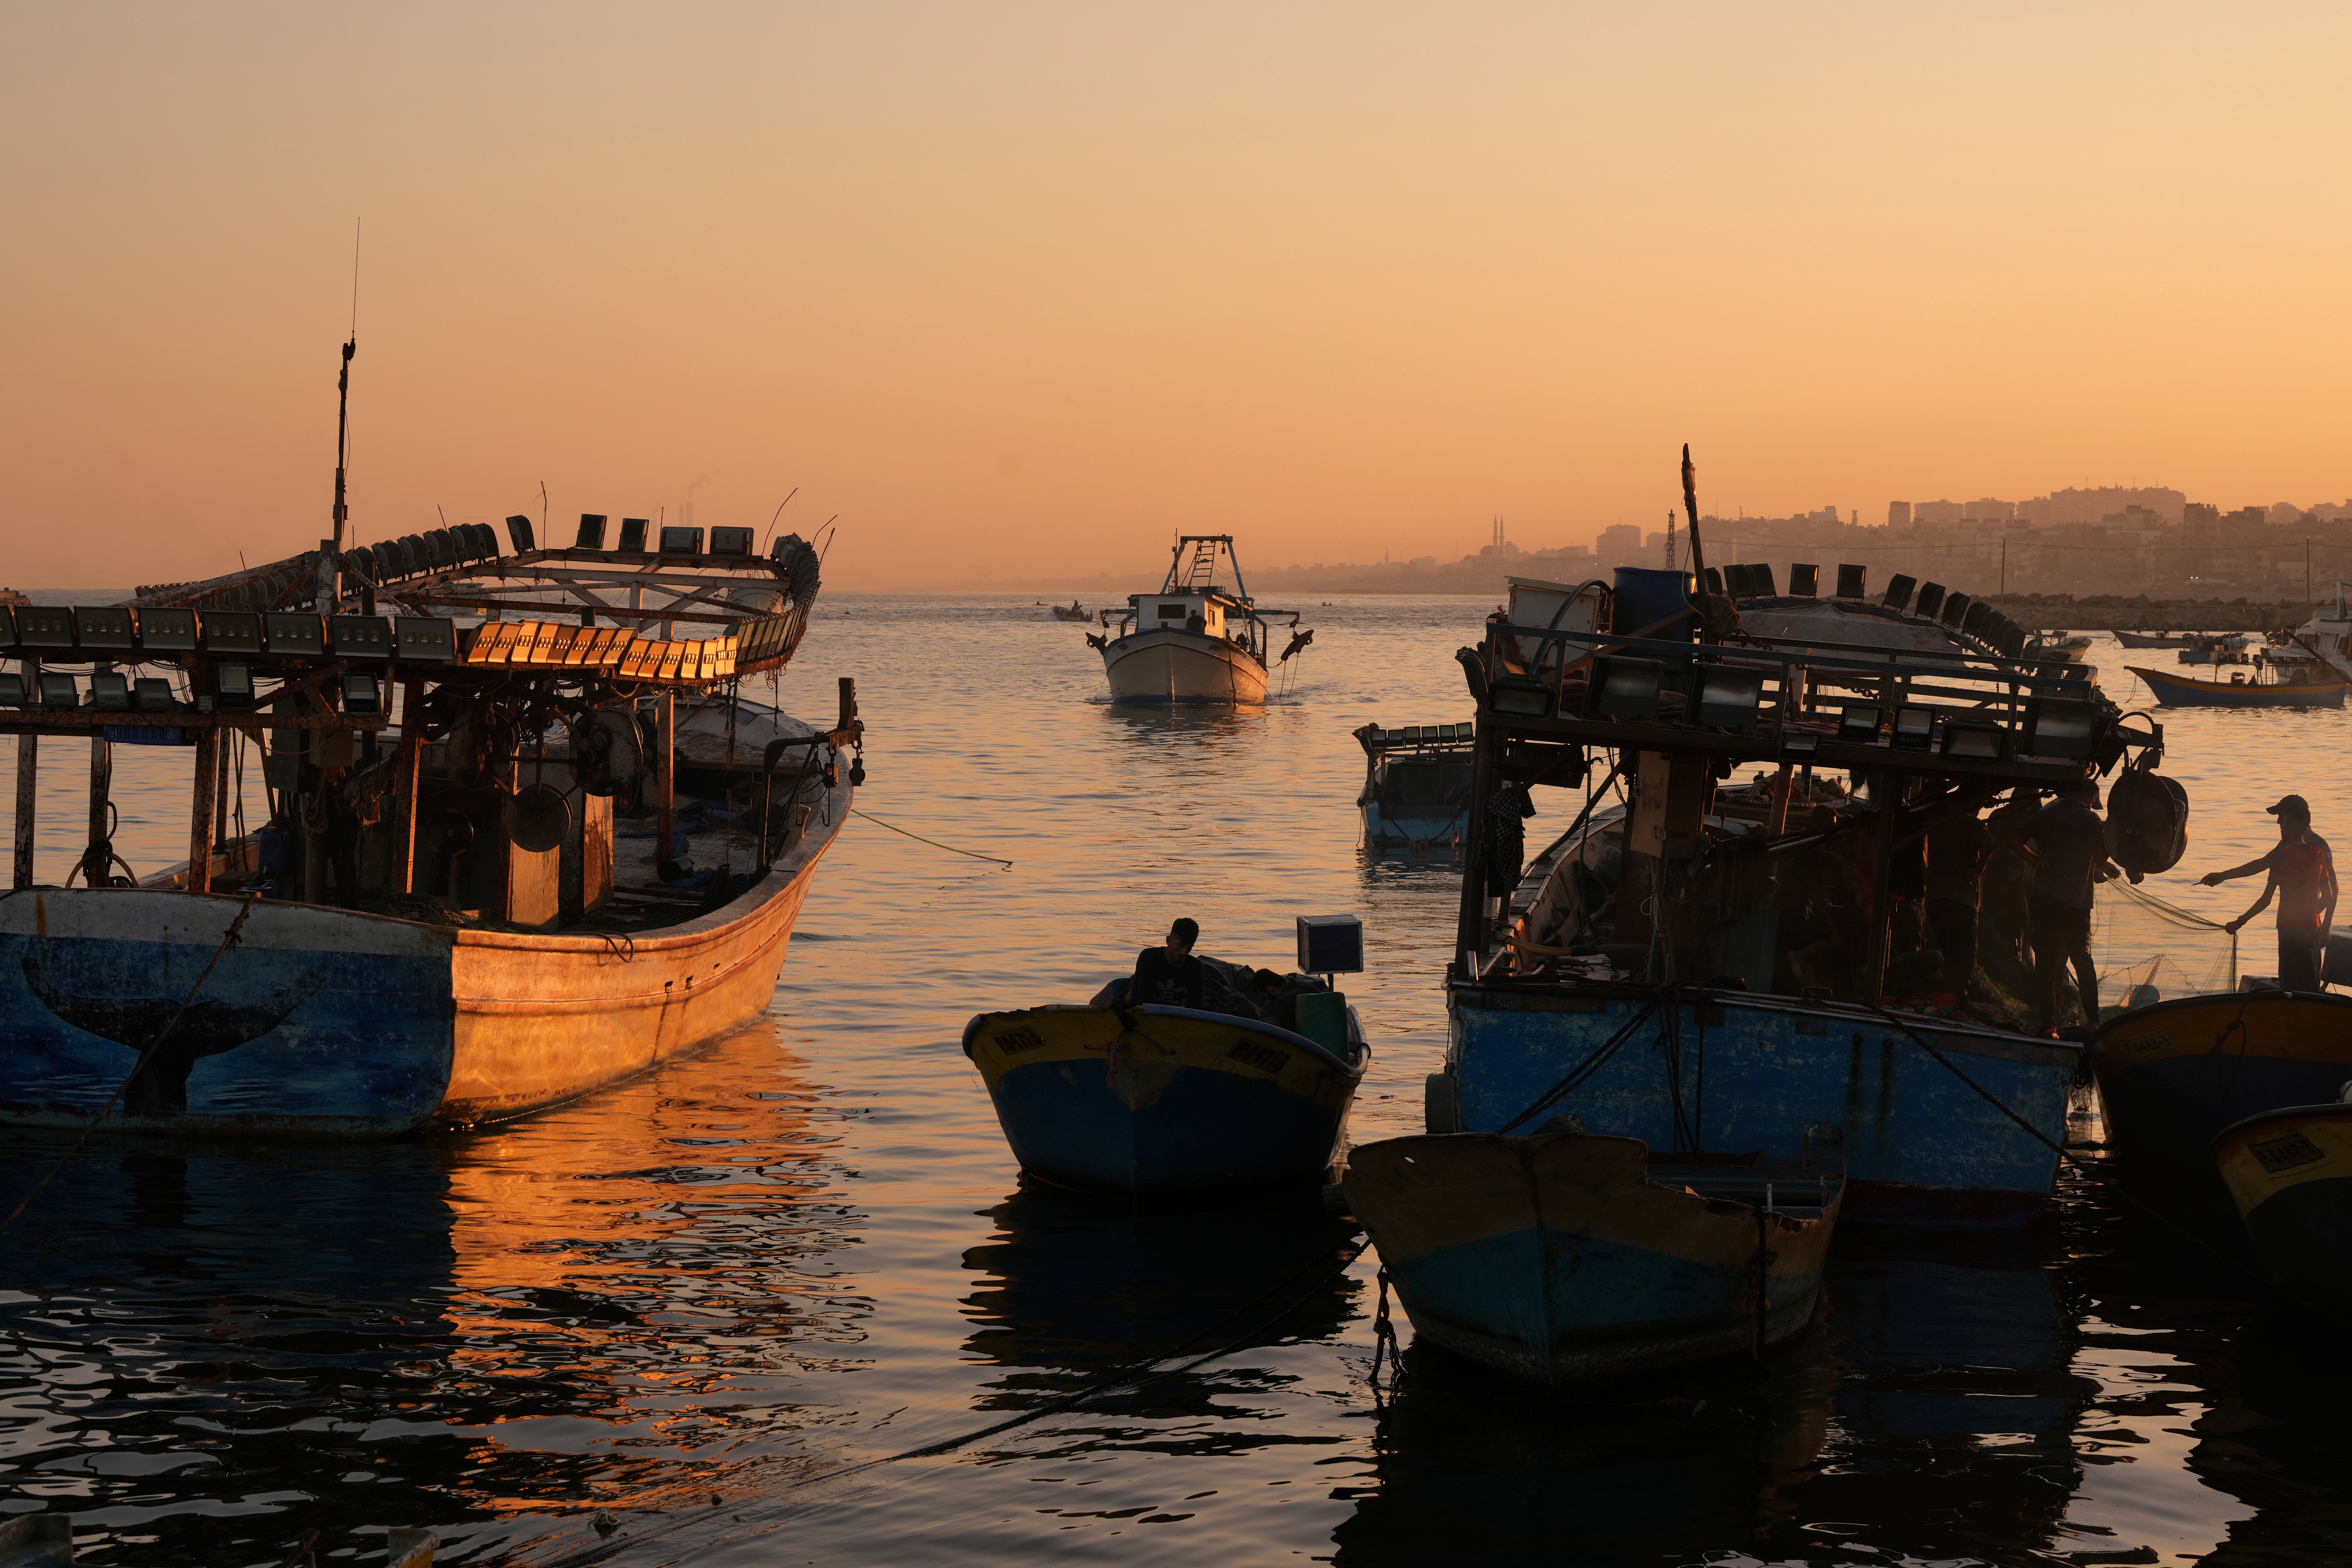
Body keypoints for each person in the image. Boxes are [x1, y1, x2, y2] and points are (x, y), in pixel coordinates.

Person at [2006, 778, 2119, 1035]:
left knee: (2046, 961)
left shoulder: (2046, 815)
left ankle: (2049, 1023)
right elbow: (2100, 856)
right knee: (2082, 959)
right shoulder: (2091, 820)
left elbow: (2012, 838)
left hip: (2043, 897)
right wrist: (2113, 839)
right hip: (2075, 903)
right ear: (2091, 798)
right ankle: (2094, 1021)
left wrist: (2035, 860)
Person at [2201, 794, 2337, 991]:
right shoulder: (2286, 847)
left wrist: (2325, 926)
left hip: (2308, 927)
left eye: (2282, 816)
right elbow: (2261, 864)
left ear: (2292, 821)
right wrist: (2223, 876)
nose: (2278, 821)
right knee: (2299, 982)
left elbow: (2334, 889)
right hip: (2305, 925)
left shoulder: (2318, 847)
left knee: (2303, 983)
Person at [1925, 801, 1996, 997]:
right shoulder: (1972, 822)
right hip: (1962, 899)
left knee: (1950, 954)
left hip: (1935, 898)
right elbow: (1989, 843)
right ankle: (1955, 1003)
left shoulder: (1936, 823)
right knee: (1964, 959)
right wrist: (1978, 870)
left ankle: (1948, 998)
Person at [1091, 918, 1205, 1008]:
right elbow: (1143, 999)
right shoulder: (1149, 957)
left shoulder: (1195, 966)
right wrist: (1176, 1009)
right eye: (1180, 946)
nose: (1184, 953)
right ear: (1169, 941)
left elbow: (1196, 1002)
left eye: (1189, 948)